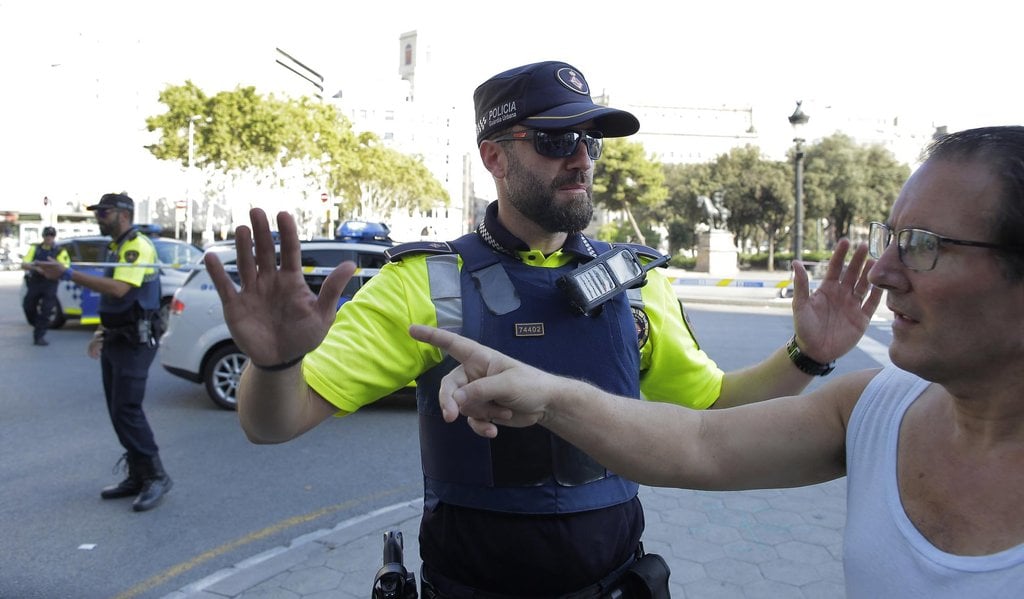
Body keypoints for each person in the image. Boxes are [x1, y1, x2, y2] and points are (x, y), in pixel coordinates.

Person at [206, 60, 879, 597]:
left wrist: (807, 354)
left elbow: (717, 412)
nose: (582, 158)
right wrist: (274, 365)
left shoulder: (637, 282)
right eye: (556, 140)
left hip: (616, 582)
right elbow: (273, 422)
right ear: (494, 157)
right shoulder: (425, 282)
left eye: (590, 140)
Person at [409, 125, 1024, 597]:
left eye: (923, 247)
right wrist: (546, 394)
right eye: (890, 238)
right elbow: (702, 440)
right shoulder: (876, 408)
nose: (884, 273)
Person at [35, 193, 172, 512]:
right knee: (117, 410)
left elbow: (119, 289)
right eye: (98, 212)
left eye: (104, 212)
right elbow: (117, 304)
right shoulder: (117, 246)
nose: (99, 217)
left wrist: (66, 274)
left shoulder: (136, 246)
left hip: (135, 342)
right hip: (117, 339)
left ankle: (156, 476)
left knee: (128, 409)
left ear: (124, 215)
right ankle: (138, 474)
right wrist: (100, 332)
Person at [22, 226, 70, 345]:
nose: (49, 238)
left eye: (51, 236)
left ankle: (39, 336)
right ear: (43, 236)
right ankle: (37, 324)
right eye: (47, 236)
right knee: (28, 306)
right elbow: (24, 264)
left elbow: (65, 266)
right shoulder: (35, 249)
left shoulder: (60, 251)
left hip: (50, 283)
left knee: (47, 310)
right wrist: (37, 268)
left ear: (54, 237)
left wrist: (50, 269)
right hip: (35, 282)